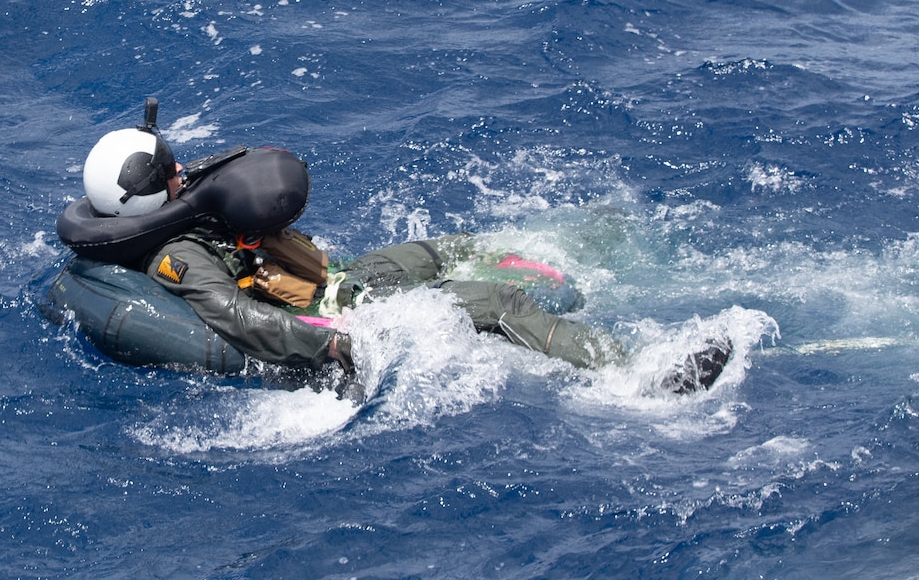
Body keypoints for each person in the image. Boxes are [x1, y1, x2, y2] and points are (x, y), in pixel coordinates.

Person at [76, 107, 729, 399]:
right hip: (331, 316)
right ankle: (638, 378)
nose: (182, 168)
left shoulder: (182, 216)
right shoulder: (178, 255)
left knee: (435, 251)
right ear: (145, 196)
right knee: (493, 301)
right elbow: (238, 318)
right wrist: (328, 344)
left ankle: (567, 251)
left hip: (333, 280)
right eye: (168, 168)